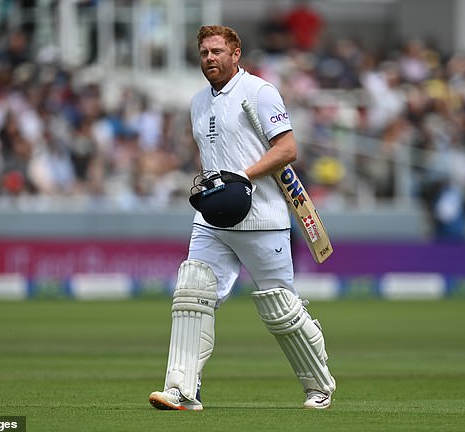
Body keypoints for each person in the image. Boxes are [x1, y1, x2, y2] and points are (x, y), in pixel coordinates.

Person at [148, 25, 336, 411]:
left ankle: (319, 385)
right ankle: (183, 389)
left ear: (236, 54)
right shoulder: (198, 102)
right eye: (204, 53)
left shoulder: (260, 93)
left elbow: (288, 148)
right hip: (213, 218)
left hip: (263, 217)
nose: (210, 59)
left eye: (217, 51)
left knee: (281, 308)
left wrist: (244, 176)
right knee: (191, 293)